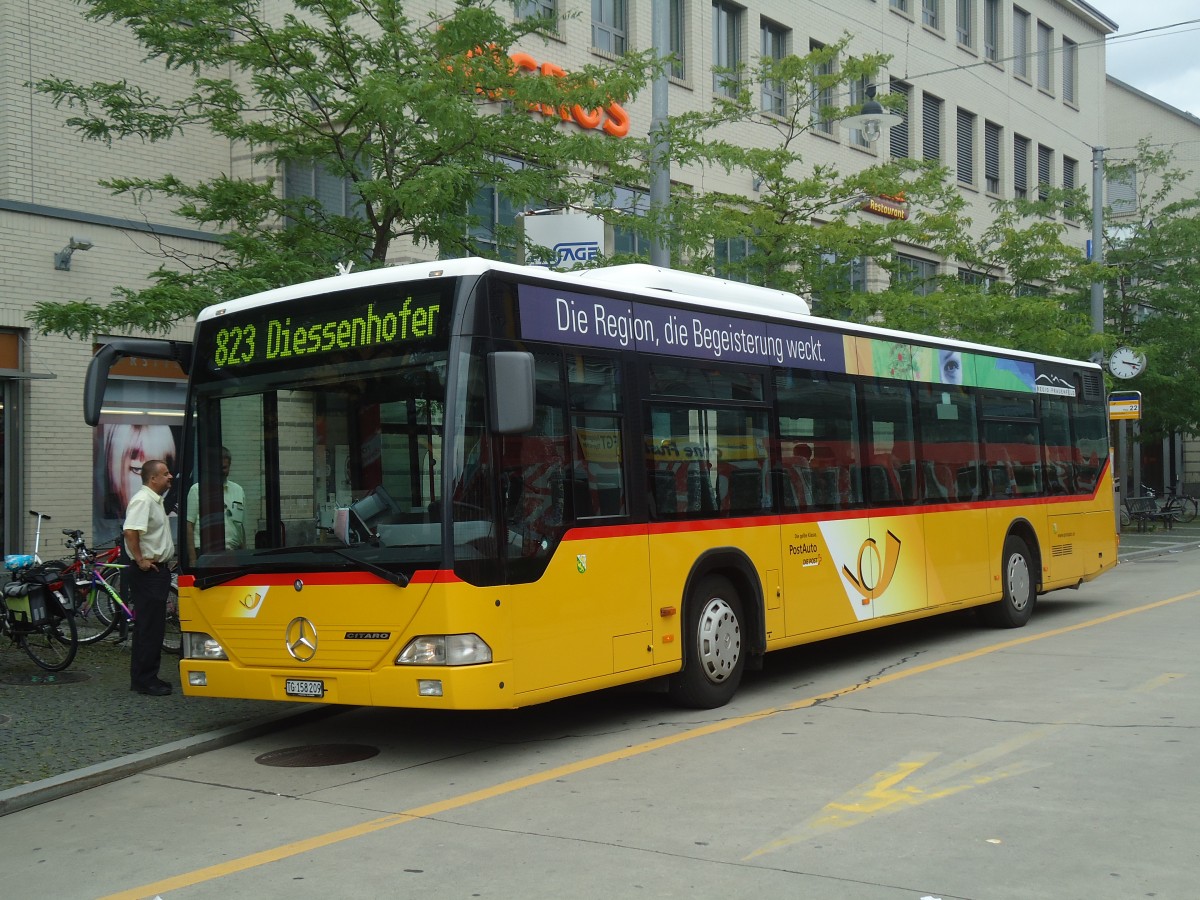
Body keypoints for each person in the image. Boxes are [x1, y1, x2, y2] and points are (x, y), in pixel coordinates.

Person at [123, 459, 176, 697]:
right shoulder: (143, 500)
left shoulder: (155, 501)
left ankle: (148, 676)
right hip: (149, 573)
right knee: (148, 626)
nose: (170, 477)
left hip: (158, 570)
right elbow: (130, 530)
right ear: (152, 478)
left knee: (154, 626)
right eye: (165, 474)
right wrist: (140, 559)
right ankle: (144, 680)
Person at [185, 447, 245, 565]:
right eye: (218, 467)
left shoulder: (238, 490)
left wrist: (243, 553)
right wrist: (193, 560)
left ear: (230, 466)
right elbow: (189, 526)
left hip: (233, 553)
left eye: (224, 467)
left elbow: (240, 526)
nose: (221, 471)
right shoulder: (197, 490)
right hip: (205, 553)